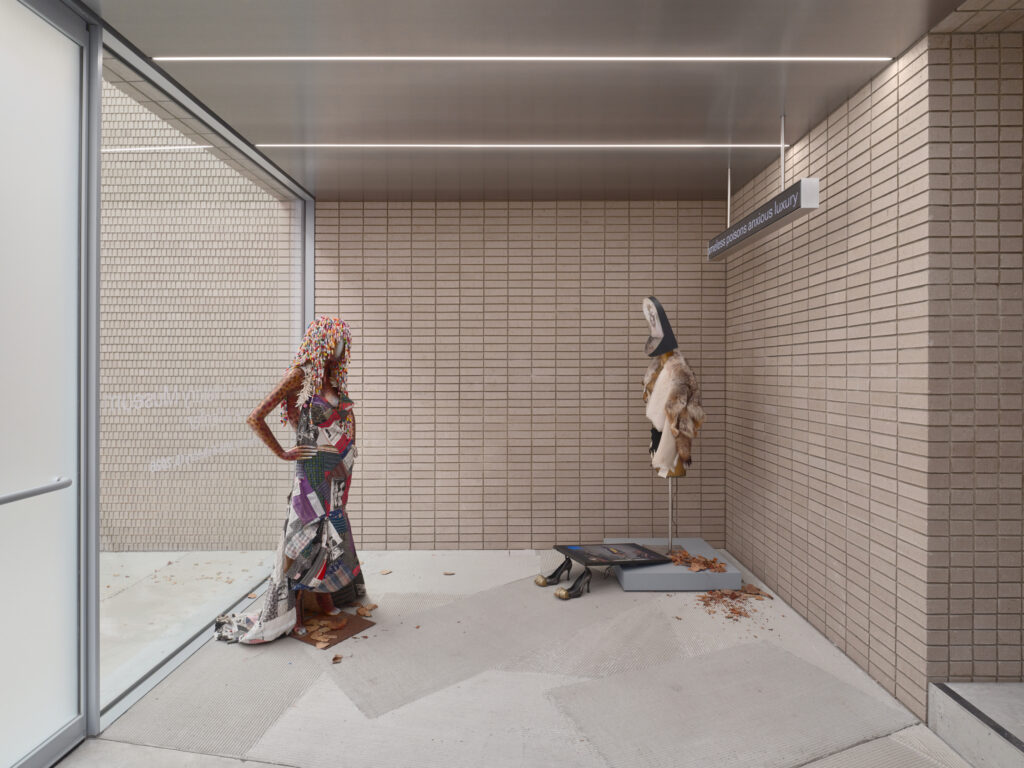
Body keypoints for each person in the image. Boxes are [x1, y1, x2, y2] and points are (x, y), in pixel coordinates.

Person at [215, 315, 365, 644]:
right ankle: (291, 607)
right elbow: (255, 417)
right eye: (338, 339)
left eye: (345, 341)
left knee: (331, 533)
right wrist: (282, 452)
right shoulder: (300, 376)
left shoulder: (333, 381)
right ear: (324, 340)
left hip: (337, 476)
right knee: (305, 535)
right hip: (312, 474)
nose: (343, 347)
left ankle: (324, 597)